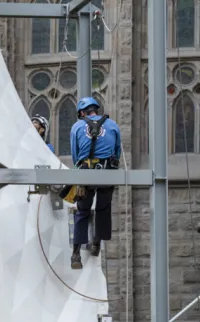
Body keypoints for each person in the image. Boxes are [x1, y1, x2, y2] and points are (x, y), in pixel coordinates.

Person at [68, 96, 121, 270]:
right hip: (107, 172)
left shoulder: (77, 127)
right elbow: (117, 151)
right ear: (96, 110)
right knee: (103, 209)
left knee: (82, 211)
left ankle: (76, 254)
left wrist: (81, 168)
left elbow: (75, 156)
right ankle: (97, 243)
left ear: (82, 112)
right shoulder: (113, 125)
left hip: (86, 173)